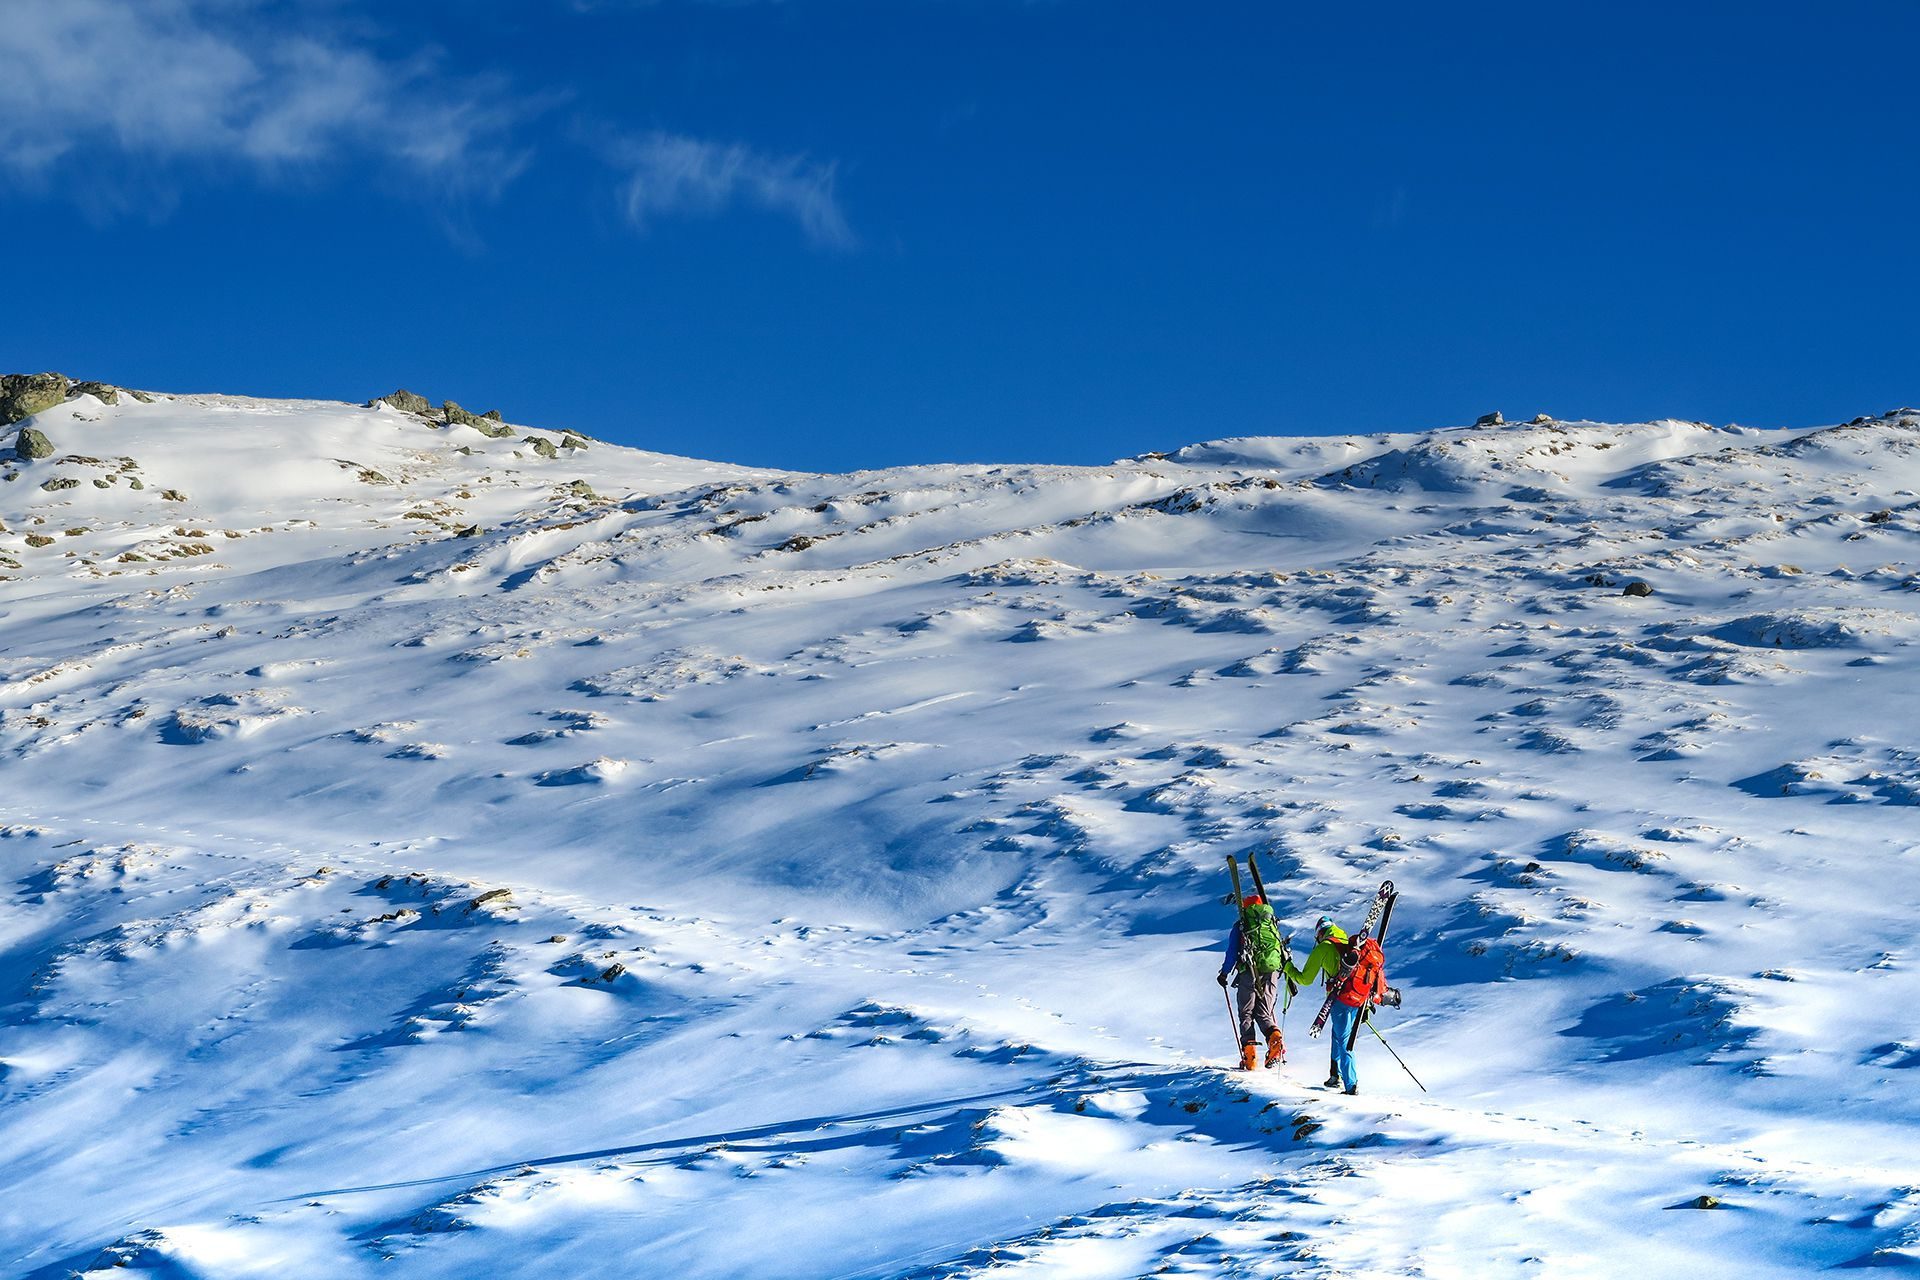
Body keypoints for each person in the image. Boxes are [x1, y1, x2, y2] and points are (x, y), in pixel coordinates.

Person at [1284, 915, 1383, 1094]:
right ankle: (1334, 1075)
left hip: (1341, 998)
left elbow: (1305, 979)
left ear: (1319, 934)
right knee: (1337, 1034)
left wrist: (1288, 968)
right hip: (1359, 997)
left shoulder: (1324, 947)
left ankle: (1351, 1084)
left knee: (1345, 1040)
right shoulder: (1347, 941)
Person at [1216, 894, 1285, 1070]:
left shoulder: (1242, 926)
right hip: (1272, 972)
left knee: (1246, 1013)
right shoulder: (1271, 924)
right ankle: (1275, 1041)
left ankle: (1250, 1057)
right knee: (1264, 1013)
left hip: (1248, 971)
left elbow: (1232, 952)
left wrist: (1224, 973)